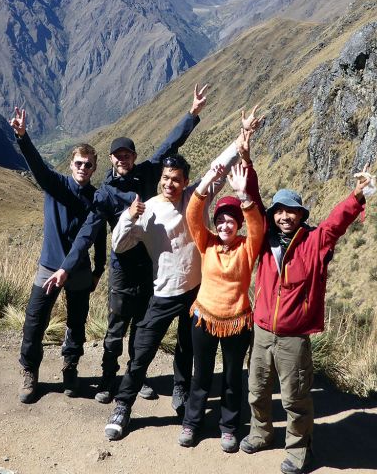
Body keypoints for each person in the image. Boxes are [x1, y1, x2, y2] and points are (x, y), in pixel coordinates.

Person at [45, 84, 210, 404]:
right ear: (112, 160)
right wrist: (66, 268)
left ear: (133, 158)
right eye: (118, 156)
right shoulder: (105, 193)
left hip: (150, 264)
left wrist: (192, 114)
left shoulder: (148, 174)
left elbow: (169, 144)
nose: (124, 160)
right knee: (117, 325)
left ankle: (139, 376)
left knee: (142, 326)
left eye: (128, 155)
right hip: (122, 269)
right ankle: (109, 379)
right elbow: (88, 233)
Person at [105, 110, 263, 442]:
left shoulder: (195, 197)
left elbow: (217, 171)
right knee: (143, 351)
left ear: (184, 180)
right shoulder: (147, 209)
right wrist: (129, 218)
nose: (170, 184)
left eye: (176, 179)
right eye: (165, 178)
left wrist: (241, 136)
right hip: (163, 294)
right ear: (160, 179)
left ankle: (182, 390)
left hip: (197, 293)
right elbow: (119, 245)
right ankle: (123, 405)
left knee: (188, 351)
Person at [240, 167, 374, 474]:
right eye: (281, 211)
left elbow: (336, 224)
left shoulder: (314, 241)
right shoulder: (264, 239)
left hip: (293, 336)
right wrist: (246, 161)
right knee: (257, 390)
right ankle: (261, 432)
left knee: (295, 397)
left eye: (292, 212)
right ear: (273, 215)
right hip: (261, 331)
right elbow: (255, 201)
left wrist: (357, 195)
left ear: (301, 215)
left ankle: (300, 451)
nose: (286, 217)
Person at [9, 106, 101, 404]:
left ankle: (70, 366)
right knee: (35, 321)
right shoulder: (55, 185)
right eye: (78, 163)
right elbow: (36, 165)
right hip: (50, 266)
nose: (82, 169)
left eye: (88, 165)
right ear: (70, 163)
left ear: (93, 168)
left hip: (78, 270)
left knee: (77, 321)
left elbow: (99, 236)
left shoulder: (96, 198)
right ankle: (29, 372)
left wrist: (98, 270)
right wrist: (23, 136)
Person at [179, 151, 265, 453]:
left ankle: (229, 428)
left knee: (231, 377)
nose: (226, 224)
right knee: (200, 375)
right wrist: (207, 184)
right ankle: (192, 422)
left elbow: (258, 226)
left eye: (231, 220)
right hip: (204, 318)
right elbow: (192, 215)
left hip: (237, 320)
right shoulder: (207, 242)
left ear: (238, 224)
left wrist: (244, 196)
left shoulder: (248, 247)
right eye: (221, 220)